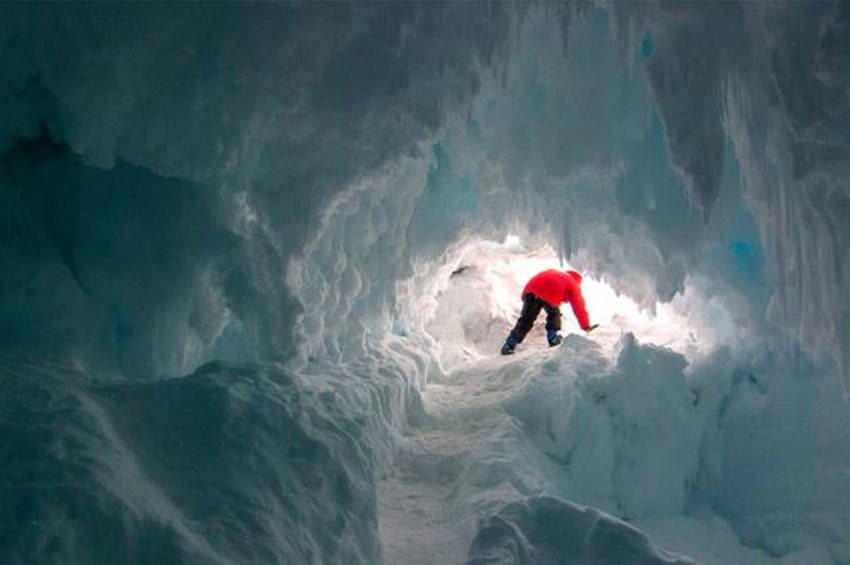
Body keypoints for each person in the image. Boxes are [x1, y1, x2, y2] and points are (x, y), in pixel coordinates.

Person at [501, 269, 598, 355]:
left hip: (530, 290)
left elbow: (536, 280)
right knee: (554, 314)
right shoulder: (573, 283)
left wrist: (527, 299)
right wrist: (585, 326)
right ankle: (553, 338)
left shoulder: (555, 273)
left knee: (526, 320)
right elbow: (579, 306)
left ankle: (509, 344)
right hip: (550, 290)